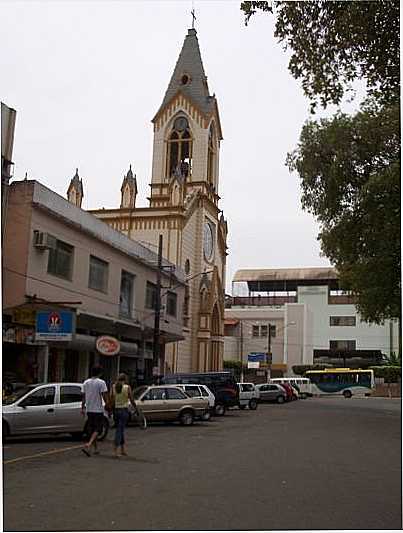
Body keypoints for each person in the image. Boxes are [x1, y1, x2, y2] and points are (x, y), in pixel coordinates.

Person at [81, 365, 110, 457]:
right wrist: (108, 406)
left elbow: (83, 396)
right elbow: (104, 396)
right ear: (100, 373)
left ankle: (95, 449)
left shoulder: (86, 382)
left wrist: (82, 407)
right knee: (98, 429)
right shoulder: (101, 382)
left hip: (89, 409)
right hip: (98, 410)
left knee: (92, 430)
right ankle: (89, 444)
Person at [110, 373, 136, 458]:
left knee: (120, 429)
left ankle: (122, 449)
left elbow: (112, 399)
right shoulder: (127, 387)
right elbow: (131, 399)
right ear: (125, 380)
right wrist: (135, 408)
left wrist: (111, 410)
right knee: (120, 430)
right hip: (124, 410)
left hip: (116, 410)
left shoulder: (113, 387)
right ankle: (115, 449)